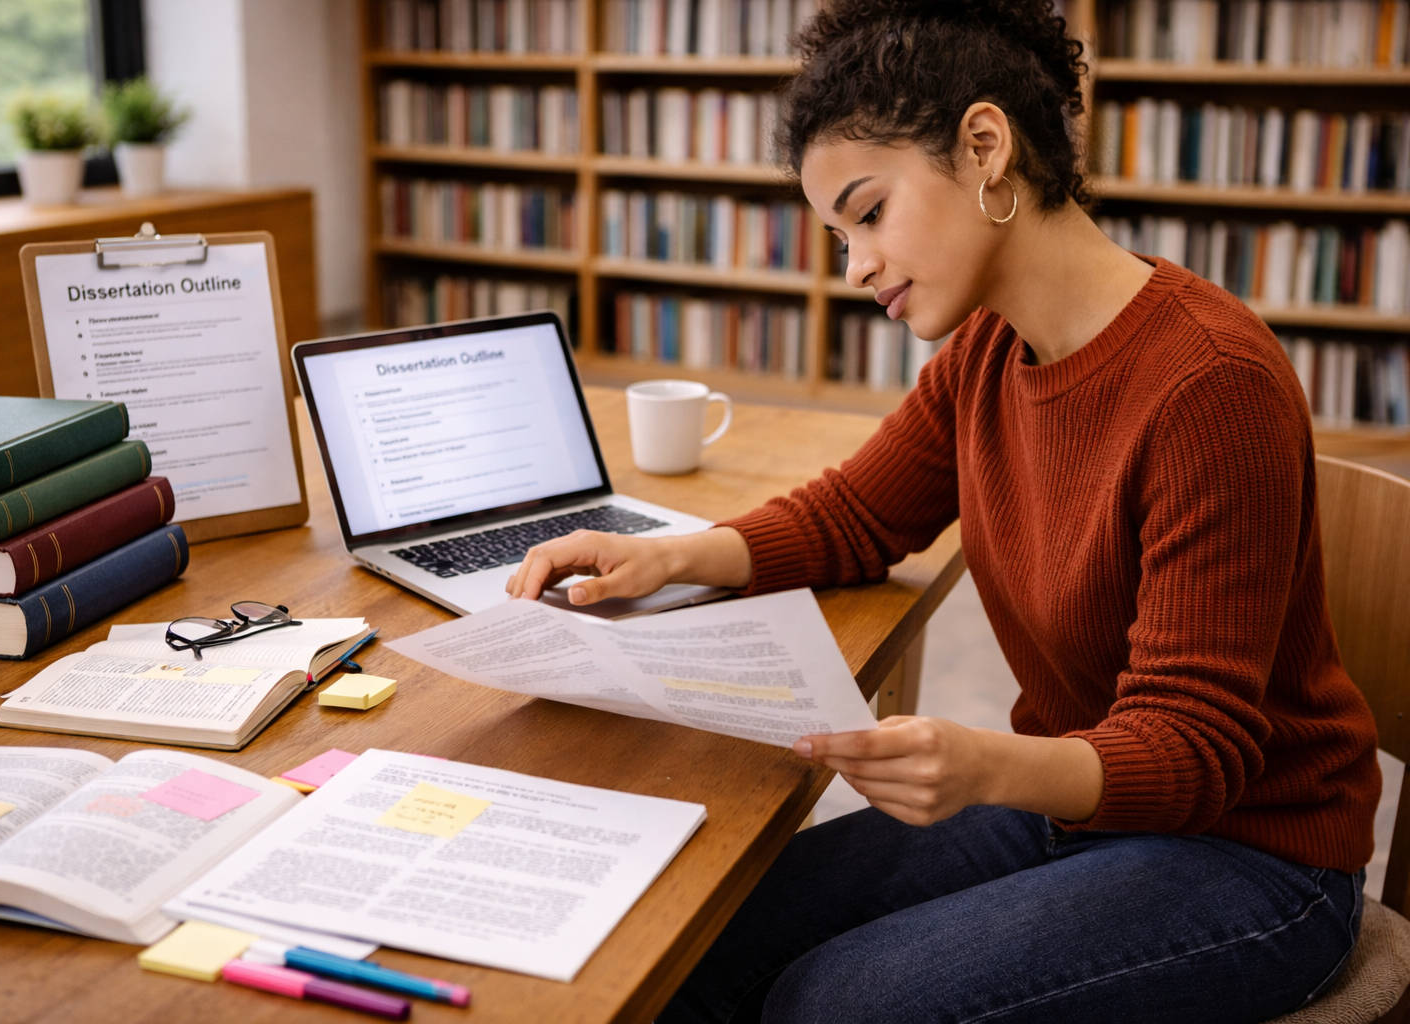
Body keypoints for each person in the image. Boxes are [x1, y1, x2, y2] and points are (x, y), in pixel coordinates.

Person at [506, 1, 1381, 1019]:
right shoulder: (987, 353)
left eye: (868, 214)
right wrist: (666, 555)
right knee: (699, 931)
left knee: (836, 1003)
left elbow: (1194, 750)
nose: (856, 266)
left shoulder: (1210, 385)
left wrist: (982, 763)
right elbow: (857, 516)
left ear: (983, 147)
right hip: (1083, 805)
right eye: (840, 235)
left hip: (1255, 858)